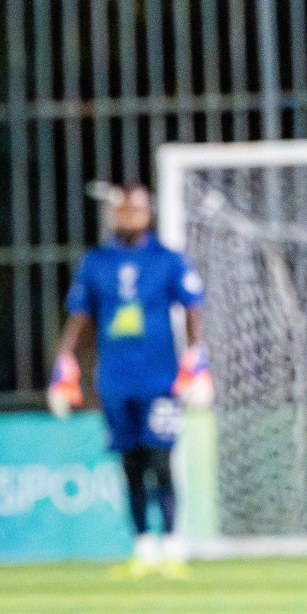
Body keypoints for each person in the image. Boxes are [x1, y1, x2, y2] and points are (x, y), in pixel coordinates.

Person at [49, 182, 208, 578]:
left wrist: (197, 361)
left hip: (161, 379)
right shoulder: (95, 262)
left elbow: (192, 309)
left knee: (161, 458)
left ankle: (172, 545)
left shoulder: (168, 259)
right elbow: (80, 318)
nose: (129, 216)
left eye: (136, 209)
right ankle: (143, 547)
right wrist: (63, 367)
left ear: (149, 213)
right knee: (130, 463)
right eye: (122, 210)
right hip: (116, 381)